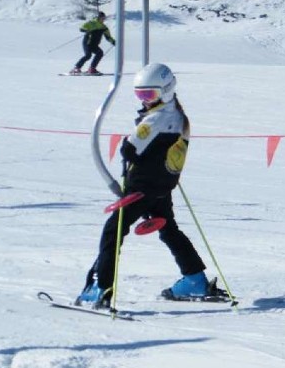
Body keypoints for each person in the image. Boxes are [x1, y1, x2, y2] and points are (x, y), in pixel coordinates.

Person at [76, 63, 225, 307]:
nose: (145, 100)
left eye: (149, 95)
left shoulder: (156, 118)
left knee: (113, 231)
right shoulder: (177, 114)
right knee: (168, 229)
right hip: (161, 186)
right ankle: (194, 279)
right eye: (140, 95)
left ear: (165, 91)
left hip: (142, 189)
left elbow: (130, 149)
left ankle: (102, 288)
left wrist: (131, 144)